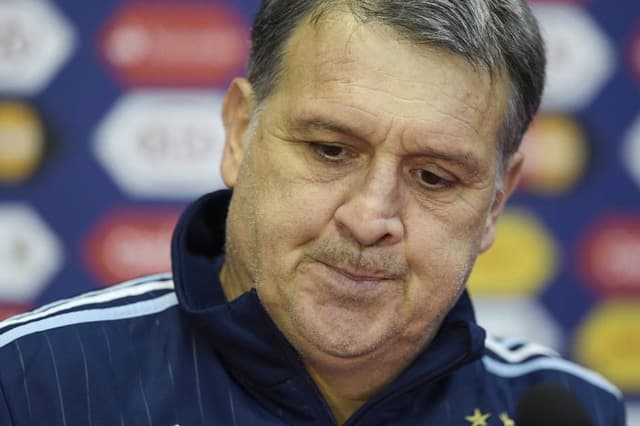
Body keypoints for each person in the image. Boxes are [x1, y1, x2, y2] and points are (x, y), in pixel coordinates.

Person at [0, 0, 626, 425]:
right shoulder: (32, 384)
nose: (369, 217)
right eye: (331, 150)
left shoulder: (574, 411)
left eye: (433, 176)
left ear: (495, 201)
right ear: (242, 134)